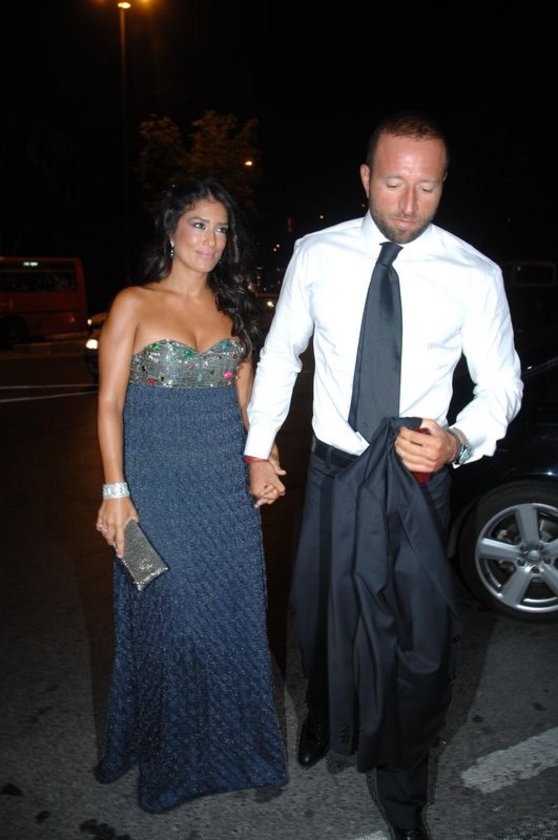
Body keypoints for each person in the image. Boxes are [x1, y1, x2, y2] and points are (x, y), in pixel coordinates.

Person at [243, 111, 523, 840]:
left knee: (416, 644)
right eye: (394, 183)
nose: (408, 203)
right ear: (367, 178)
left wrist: (459, 438)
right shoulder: (317, 254)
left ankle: (403, 797)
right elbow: (282, 353)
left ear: (443, 185)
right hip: (334, 471)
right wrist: (259, 445)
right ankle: (327, 717)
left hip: (414, 479)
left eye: (426, 187)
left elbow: (501, 383)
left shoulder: (474, 273)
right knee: (321, 614)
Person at [94, 176, 287, 813]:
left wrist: (264, 459)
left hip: (225, 499)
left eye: (221, 228)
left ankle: (241, 754)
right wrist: (116, 493)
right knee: (167, 623)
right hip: (153, 499)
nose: (211, 239)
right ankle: (169, 763)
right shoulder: (134, 303)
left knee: (233, 621)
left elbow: (248, 409)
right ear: (172, 229)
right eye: (199, 224)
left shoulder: (235, 311)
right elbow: (109, 405)